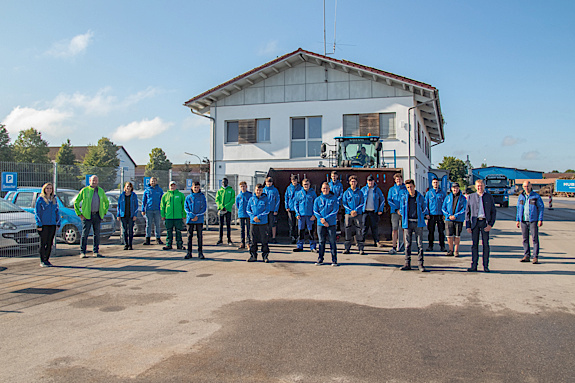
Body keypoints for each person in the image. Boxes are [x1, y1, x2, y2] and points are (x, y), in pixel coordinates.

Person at [465, 179, 497, 272]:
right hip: (475, 223)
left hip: (485, 223)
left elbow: (493, 212)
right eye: (478, 186)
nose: (480, 187)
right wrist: (468, 225)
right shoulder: (471, 197)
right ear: (475, 187)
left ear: (484, 186)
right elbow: (467, 212)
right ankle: (474, 265)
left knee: (485, 245)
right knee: (474, 245)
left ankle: (485, 266)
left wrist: (490, 224)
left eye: (481, 185)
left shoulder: (489, 197)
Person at [74, 175, 110, 258]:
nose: (94, 182)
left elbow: (106, 202)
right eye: (93, 180)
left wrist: (103, 212)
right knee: (85, 234)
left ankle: (96, 251)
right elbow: (76, 202)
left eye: (96, 180)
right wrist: (79, 213)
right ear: (89, 181)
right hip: (87, 216)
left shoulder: (100, 191)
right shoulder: (85, 190)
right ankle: (82, 252)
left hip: (97, 215)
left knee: (96, 234)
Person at [399, 179, 428, 272]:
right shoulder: (404, 197)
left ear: (414, 186)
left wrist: (422, 215)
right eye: (408, 187)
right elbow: (402, 209)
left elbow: (424, 208)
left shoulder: (420, 197)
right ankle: (407, 263)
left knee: (420, 244)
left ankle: (420, 264)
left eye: (411, 187)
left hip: (418, 223)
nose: (410, 189)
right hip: (407, 223)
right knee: (407, 244)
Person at [516, 181, 544, 264]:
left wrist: (540, 219)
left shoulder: (536, 196)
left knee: (534, 239)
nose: (526, 188)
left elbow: (541, 208)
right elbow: (518, 208)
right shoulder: (521, 196)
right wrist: (518, 220)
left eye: (527, 186)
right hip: (523, 221)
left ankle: (535, 257)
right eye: (524, 186)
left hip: (533, 220)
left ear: (531, 186)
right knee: (525, 239)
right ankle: (526, 255)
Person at [313, 182, 339, 266]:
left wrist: (326, 219)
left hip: (331, 224)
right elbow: (315, 211)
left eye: (327, 188)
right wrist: (322, 221)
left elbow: (335, 211)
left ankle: (334, 260)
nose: (325, 190)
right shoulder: (317, 199)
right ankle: (320, 259)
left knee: (332, 241)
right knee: (321, 241)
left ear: (329, 189)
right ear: (321, 189)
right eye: (324, 188)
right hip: (321, 224)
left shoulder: (334, 199)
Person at [35, 182, 60, 267]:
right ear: (44, 189)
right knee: (43, 243)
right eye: (47, 188)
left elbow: (57, 211)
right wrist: (39, 224)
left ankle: (47, 259)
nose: (49, 190)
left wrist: (58, 222)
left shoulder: (54, 199)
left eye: (50, 188)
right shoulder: (40, 199)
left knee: (50, 243)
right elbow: (37, 212)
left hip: (52, 224)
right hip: (43, 224)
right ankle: (42, 260)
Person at [246, 184, 270, 262]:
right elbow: (248, 210)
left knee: (264, 240)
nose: (258, 191)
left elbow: (267, 210)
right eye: (257, 190)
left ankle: (265, 256)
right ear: (255, 190)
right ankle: (253, 256)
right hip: (253, 223)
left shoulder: (265, 199)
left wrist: (259, 217)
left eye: (260, 190)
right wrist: (253, 217)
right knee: (253, 240)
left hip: (263, 223)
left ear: (262, 191)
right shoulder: (251, 199)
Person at [442, 182, 467, 257]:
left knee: (457, 236)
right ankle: (450, 250)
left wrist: (456, 215)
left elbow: (464, 209)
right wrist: (448, 216)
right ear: (451, 189)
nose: (455, 189)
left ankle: (456, 251)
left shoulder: (462, 198)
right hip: (449, 219)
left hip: (458, 219)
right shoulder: (448, 197)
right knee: (449, 236)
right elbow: (443, 208)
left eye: (456, 188)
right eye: (454, 188)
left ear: (459, 188)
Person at [342, 175, 365, 255]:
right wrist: (350, 211)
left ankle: (360, 248)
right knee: (348, 230)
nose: (353, 183)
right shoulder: (346, 192)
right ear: (349, 182)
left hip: (358, 214)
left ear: (356, 182)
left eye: (354, 181)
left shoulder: (360, 192)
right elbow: (344, 203)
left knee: (359, 230)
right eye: (351, 181)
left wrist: (356, 210)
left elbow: (362, 203)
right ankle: (347, 248)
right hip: (348, 214)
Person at [292, 179, 317, 253]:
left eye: (307, 184)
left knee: (311, 231)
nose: (306, 186)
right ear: (302, 185)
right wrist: (297, 213)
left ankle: (312, 247)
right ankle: (299, 246)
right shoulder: (299, 193)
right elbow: (295, 204)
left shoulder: (312, 193)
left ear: (310, 185)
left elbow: (315, 204)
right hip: (301, 216)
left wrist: (314, 214)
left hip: (310, 216)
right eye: (305, 184)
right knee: (300, 231)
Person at [160, 181, 186, 251]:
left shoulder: (180, 195)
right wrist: (163, 215)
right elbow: (162, 206)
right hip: (168, 217)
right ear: (169, 186)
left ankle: (179, 245)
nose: (172, 187)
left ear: (176, 186)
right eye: (171, 185)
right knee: (169, 231)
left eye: (174, 185)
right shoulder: (165, 195)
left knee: (178, 231)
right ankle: (168, 245)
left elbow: (184, 206)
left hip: (178, 217)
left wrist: (184, 214)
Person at [361, 175, 385, 246]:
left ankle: (376, 241)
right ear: (367, 181)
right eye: (369, 181)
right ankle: (362, 241)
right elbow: (359, 199)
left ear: (374, 181)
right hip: (365, 211)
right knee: (364, 227)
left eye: (371, 181)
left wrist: (380, 209)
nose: (370, 182)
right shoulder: (363, 189)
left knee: (374, 227)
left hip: (374, 212)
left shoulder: (377, 190)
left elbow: (382, 200)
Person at [184, 181, 206, 259]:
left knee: (199, 236)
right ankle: (189, 252)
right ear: (192, 188)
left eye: (197, 187)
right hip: (190, 220)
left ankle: (200, 253)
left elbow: (204, 208)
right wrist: (192, 216)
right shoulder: (188, 197)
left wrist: (197, 216)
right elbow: (186, 208)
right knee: (189, 236)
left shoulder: (202, 197)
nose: (196, 189)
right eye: (194, 187)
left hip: (199, 220)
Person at [425, 178, 446, 252]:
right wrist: (427, 213)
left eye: (436, 182)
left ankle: (442, 246)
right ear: (432, 183)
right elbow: (426, 204)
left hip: (440, 215)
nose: (435, 184)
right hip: (431, 215)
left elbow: (444, 204)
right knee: (431, 231)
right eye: (434, 182)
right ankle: (430, 246)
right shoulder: (429, 193)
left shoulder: (442, 193)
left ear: (438, 183)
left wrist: (444, 214)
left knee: (441, 231)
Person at [387, 173, 407, 254]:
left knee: (404, 229)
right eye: (397, 179)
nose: (398, 181)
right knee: (394, 229)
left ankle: (405, 246)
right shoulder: (392, 189)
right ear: (395, 180)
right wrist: (396, 209)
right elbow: (389, 200)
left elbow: (407, 200)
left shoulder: (405, 189)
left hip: (403, 212)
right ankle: (394, 247)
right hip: (394, 212)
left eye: (400, 179)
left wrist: (402, 210)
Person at [142, 177, 164, 246]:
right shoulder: (147, 190)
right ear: (150, 182)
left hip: (157, 210)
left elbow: (162, 201)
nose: (153, 182)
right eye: (152, 181)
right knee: (148, 224)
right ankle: (147, 239)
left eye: (154, 181)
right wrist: (143, 209)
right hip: (149, 210)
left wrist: (162, 209)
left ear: (156, 182)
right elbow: (144, 201)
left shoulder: (159, 190)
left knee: (157, 224)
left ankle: (158, 238)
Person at [117, 182, 139, 251]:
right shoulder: (122, 195)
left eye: (129, 186)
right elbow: (119, 205)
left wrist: (135, 215)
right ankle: (125, 244)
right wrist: (118, 214)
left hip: (131, 215)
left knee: (130, 231)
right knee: (124, 230)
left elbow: (136, 206)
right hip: (123, 215)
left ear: (131, 188)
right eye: (127, 186)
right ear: (125, 187)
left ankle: (130, 244)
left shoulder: (134, 195)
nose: (128, 188)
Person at [215, 178, 235, 245]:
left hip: (228, 210)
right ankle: (220, 239)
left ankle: (229, 239)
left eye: (225, 182)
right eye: (223, 182)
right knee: (221, 225)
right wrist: (221, 207)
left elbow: (232, 200)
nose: (224, 183)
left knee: (228, 225)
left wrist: (226, 207)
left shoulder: (231, 190)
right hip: (221, 210)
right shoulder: (219, 191)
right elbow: (217, 200)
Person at [284, 175, 302, 244]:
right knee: (292, 223)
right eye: (293, 180)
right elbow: (286, 197)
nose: (294, 182)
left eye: (295, 180)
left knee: (298, 224)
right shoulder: (289, 188)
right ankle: (292, 237)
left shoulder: (300, 188)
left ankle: (298, 237)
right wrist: (287, 206)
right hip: (291, 208)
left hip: (298, 208)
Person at [235, 181, 252, 249]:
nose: (243, 188)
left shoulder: (249, 195)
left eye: (244, 186)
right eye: (241, 186)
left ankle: (248, 243)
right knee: (242, 229)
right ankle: (242, 243)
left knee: (248, 229)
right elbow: (238, 205)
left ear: (246, 186)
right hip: (241, 214)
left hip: (248, 214)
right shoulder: (239, 196)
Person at [263, 177, 280, 243]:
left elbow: (277, 200)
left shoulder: (275, 190)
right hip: (265, 211)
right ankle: (266, 237)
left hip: (272, 210)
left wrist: (276, 210)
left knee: (273, 224)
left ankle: (273, 237)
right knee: (265, 224)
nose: (269, 183)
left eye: (270, 182)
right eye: (267, 182)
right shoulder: (263, 190)